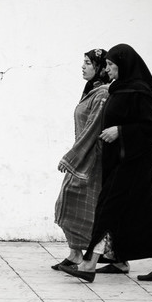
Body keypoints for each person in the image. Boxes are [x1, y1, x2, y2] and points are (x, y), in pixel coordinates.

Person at [59, 44, 152, 283]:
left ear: (124, 66)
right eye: (108, 65)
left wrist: (120, 131)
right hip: (122, 159)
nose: (108, 69)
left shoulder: (138, 91)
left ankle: (89, 264)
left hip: (134, 160)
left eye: (112, 65)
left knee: (107, 208)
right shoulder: (119, 89)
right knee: (144, 210)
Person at [52, 48, 116, 271]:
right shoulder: (93, 90)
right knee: (70, 203)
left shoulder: (103, 94)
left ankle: (90, 255)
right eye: (84, 62)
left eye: (88, 63)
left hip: (92, 159)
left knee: (84, 205)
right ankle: (76, 253)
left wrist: (71, 157)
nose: (83, 66)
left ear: (99, 68)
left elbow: (92, 130)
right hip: (85, 156)